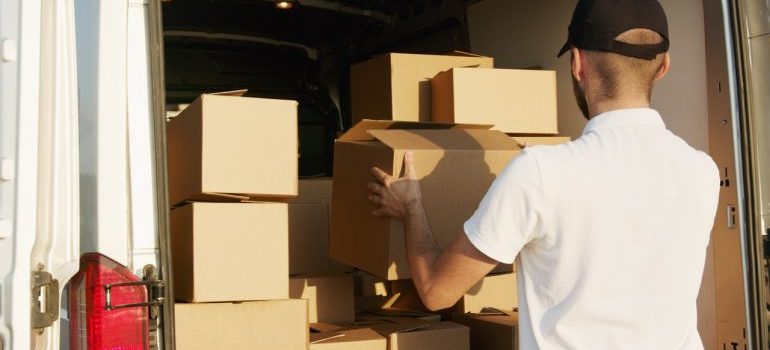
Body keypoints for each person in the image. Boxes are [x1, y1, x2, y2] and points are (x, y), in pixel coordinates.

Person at [366, 0, 720, 348]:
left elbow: (436, 291)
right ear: (663, 67)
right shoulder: (701, 171)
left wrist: (411, 207)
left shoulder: (539, 174)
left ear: (577, 63)